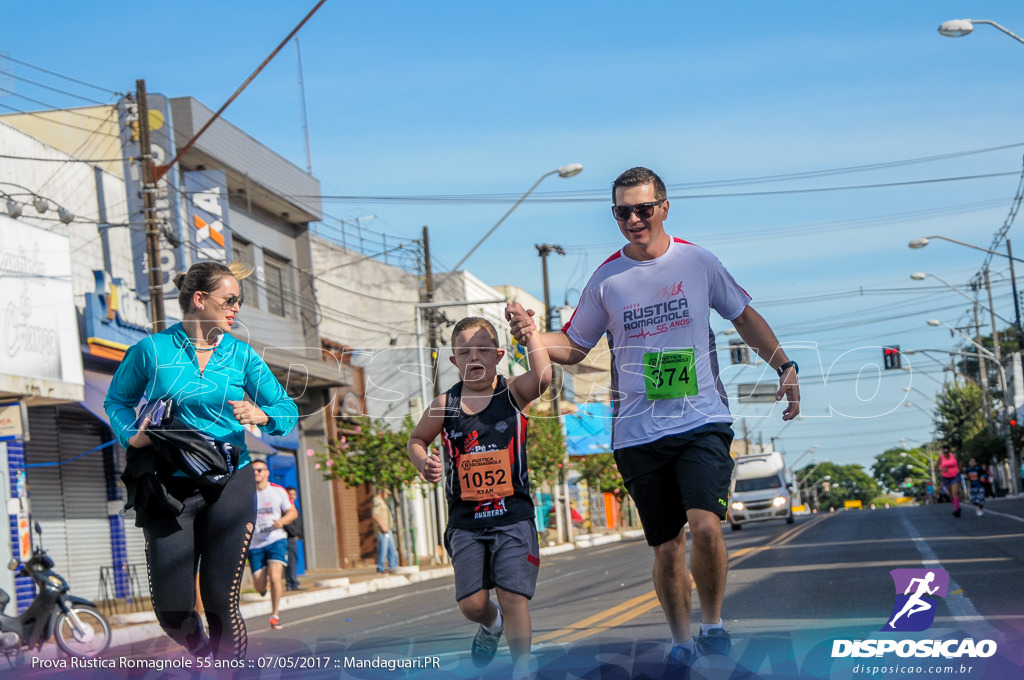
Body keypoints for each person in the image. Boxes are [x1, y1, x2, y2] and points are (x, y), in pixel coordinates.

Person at [505, 166, 799, 671]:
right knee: (666, 547)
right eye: (623, 211)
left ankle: (713, 625)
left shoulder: (698, 262)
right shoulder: (607, 279)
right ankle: (682, 639)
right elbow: (574, 347)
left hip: (702, 419)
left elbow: (744, 317)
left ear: (664, 207)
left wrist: (785, 366)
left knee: (706, 526)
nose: (634, 219)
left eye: (643, 208)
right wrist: (529, 335)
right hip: (637, 430)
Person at [104, 261, 298, 659]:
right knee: (172, 610)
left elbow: (286, 409)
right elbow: (117, 402)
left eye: (238, 302)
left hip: (231, 480)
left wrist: (263, 415)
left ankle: (233, 670)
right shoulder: (151, 351)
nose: (236, 309)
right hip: (167, 485)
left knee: (220, 600)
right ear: (199, 299)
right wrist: (133, 436)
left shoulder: (242, 357)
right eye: (229, 300)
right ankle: (203, 652)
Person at [407, 316, 551, 675]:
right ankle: (491, 623)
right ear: (454, 361)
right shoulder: (445, 404)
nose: (475, 357)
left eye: (483, 350)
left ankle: (522, 668)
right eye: (465, 352)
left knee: (513, 596)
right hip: (466, 522)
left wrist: (531, 335)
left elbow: (545, 377)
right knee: (472, 604)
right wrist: (422, 462)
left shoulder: (514, 393)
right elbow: (416, 439)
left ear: (498, 355)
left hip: (512, 515)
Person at [371, 488, 399, 574]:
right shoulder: (376, 501)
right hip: (382, 531)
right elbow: (375, 514)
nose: (387, 496)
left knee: (392, 549)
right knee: (383, 550)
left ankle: (393, 567)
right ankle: (380, 568)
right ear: (382, 492)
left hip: (387, 530)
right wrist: (382, 526)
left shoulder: (381, 501)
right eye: (386, 494)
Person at [284, 487, 304, 590]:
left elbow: (297, 523)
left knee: (293, 559)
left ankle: (291, 582)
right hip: (289, 538)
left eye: (294, 494)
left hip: (294, 538)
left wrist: (300, 535)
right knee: (291, 560)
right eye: (290, 494)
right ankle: (292, 583)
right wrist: (294, 534)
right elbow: (287, 523)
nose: (292, 496)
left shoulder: (294, 506)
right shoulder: (286, 508)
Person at [937, 446, 962, 518]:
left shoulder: (954, 456)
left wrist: (959, 470)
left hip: (955, 476)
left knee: (955, 493)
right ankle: (956, 506)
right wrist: (941, 470)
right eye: (944, 452)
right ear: (943, 452)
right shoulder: (941, 458)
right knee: (951, 494)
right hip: (946, 478)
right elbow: (936, 468)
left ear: (949, 452)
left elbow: (958, 464)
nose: (946, 454)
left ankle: (956, 510)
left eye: (947, 452)